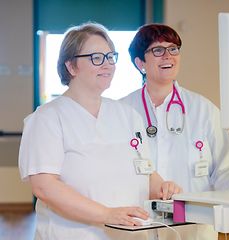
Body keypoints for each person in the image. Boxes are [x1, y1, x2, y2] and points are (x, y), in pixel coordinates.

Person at [18, 22, 181, 240]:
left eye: (110, 56)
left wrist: (162, 187)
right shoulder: (47, 118)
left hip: (130, 233)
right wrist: (106, 214)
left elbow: (144, 171)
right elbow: (45, 187)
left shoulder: (127, 115)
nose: (107, 65)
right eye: (96, 58)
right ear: (71, 66)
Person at [121, 23, 229, 239]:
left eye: (173, 48)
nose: (168, 56)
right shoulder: (122, 111)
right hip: (138, 225)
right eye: (157, 50)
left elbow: (227, 168)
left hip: (193, 227)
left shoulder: (204, 110)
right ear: (140, 62)